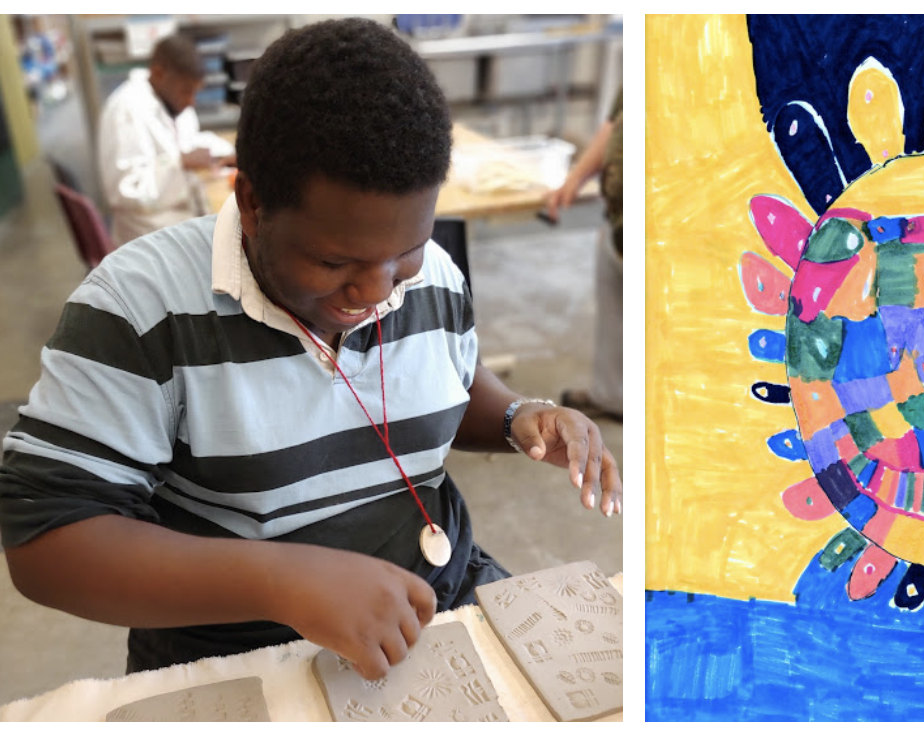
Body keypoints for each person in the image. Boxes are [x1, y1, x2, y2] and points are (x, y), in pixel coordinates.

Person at [1, 18, 621, 681]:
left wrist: (515, 416)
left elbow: (445, 379)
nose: (378, 291)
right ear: (252, 203)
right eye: (334, 261)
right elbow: (47, 541)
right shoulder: (137, 307)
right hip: (240, 648)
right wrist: (277, 581)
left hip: (440, 598)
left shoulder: (433, 274)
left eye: (404, 252)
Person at [96, 34, 227, 246]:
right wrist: (180, 162)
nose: (191, 101)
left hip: (178, 216)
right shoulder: (127, 110)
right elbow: (124, 191)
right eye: (186, 91)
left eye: (195, 92)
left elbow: (185, 142)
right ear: (158, 73)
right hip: (148, 235)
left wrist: (219, 153)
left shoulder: (171, 102)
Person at [545, 88, 622, 420]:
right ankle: (612, 395)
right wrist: (576, 177)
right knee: (615, 304)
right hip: (620, 217)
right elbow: (616, 123)